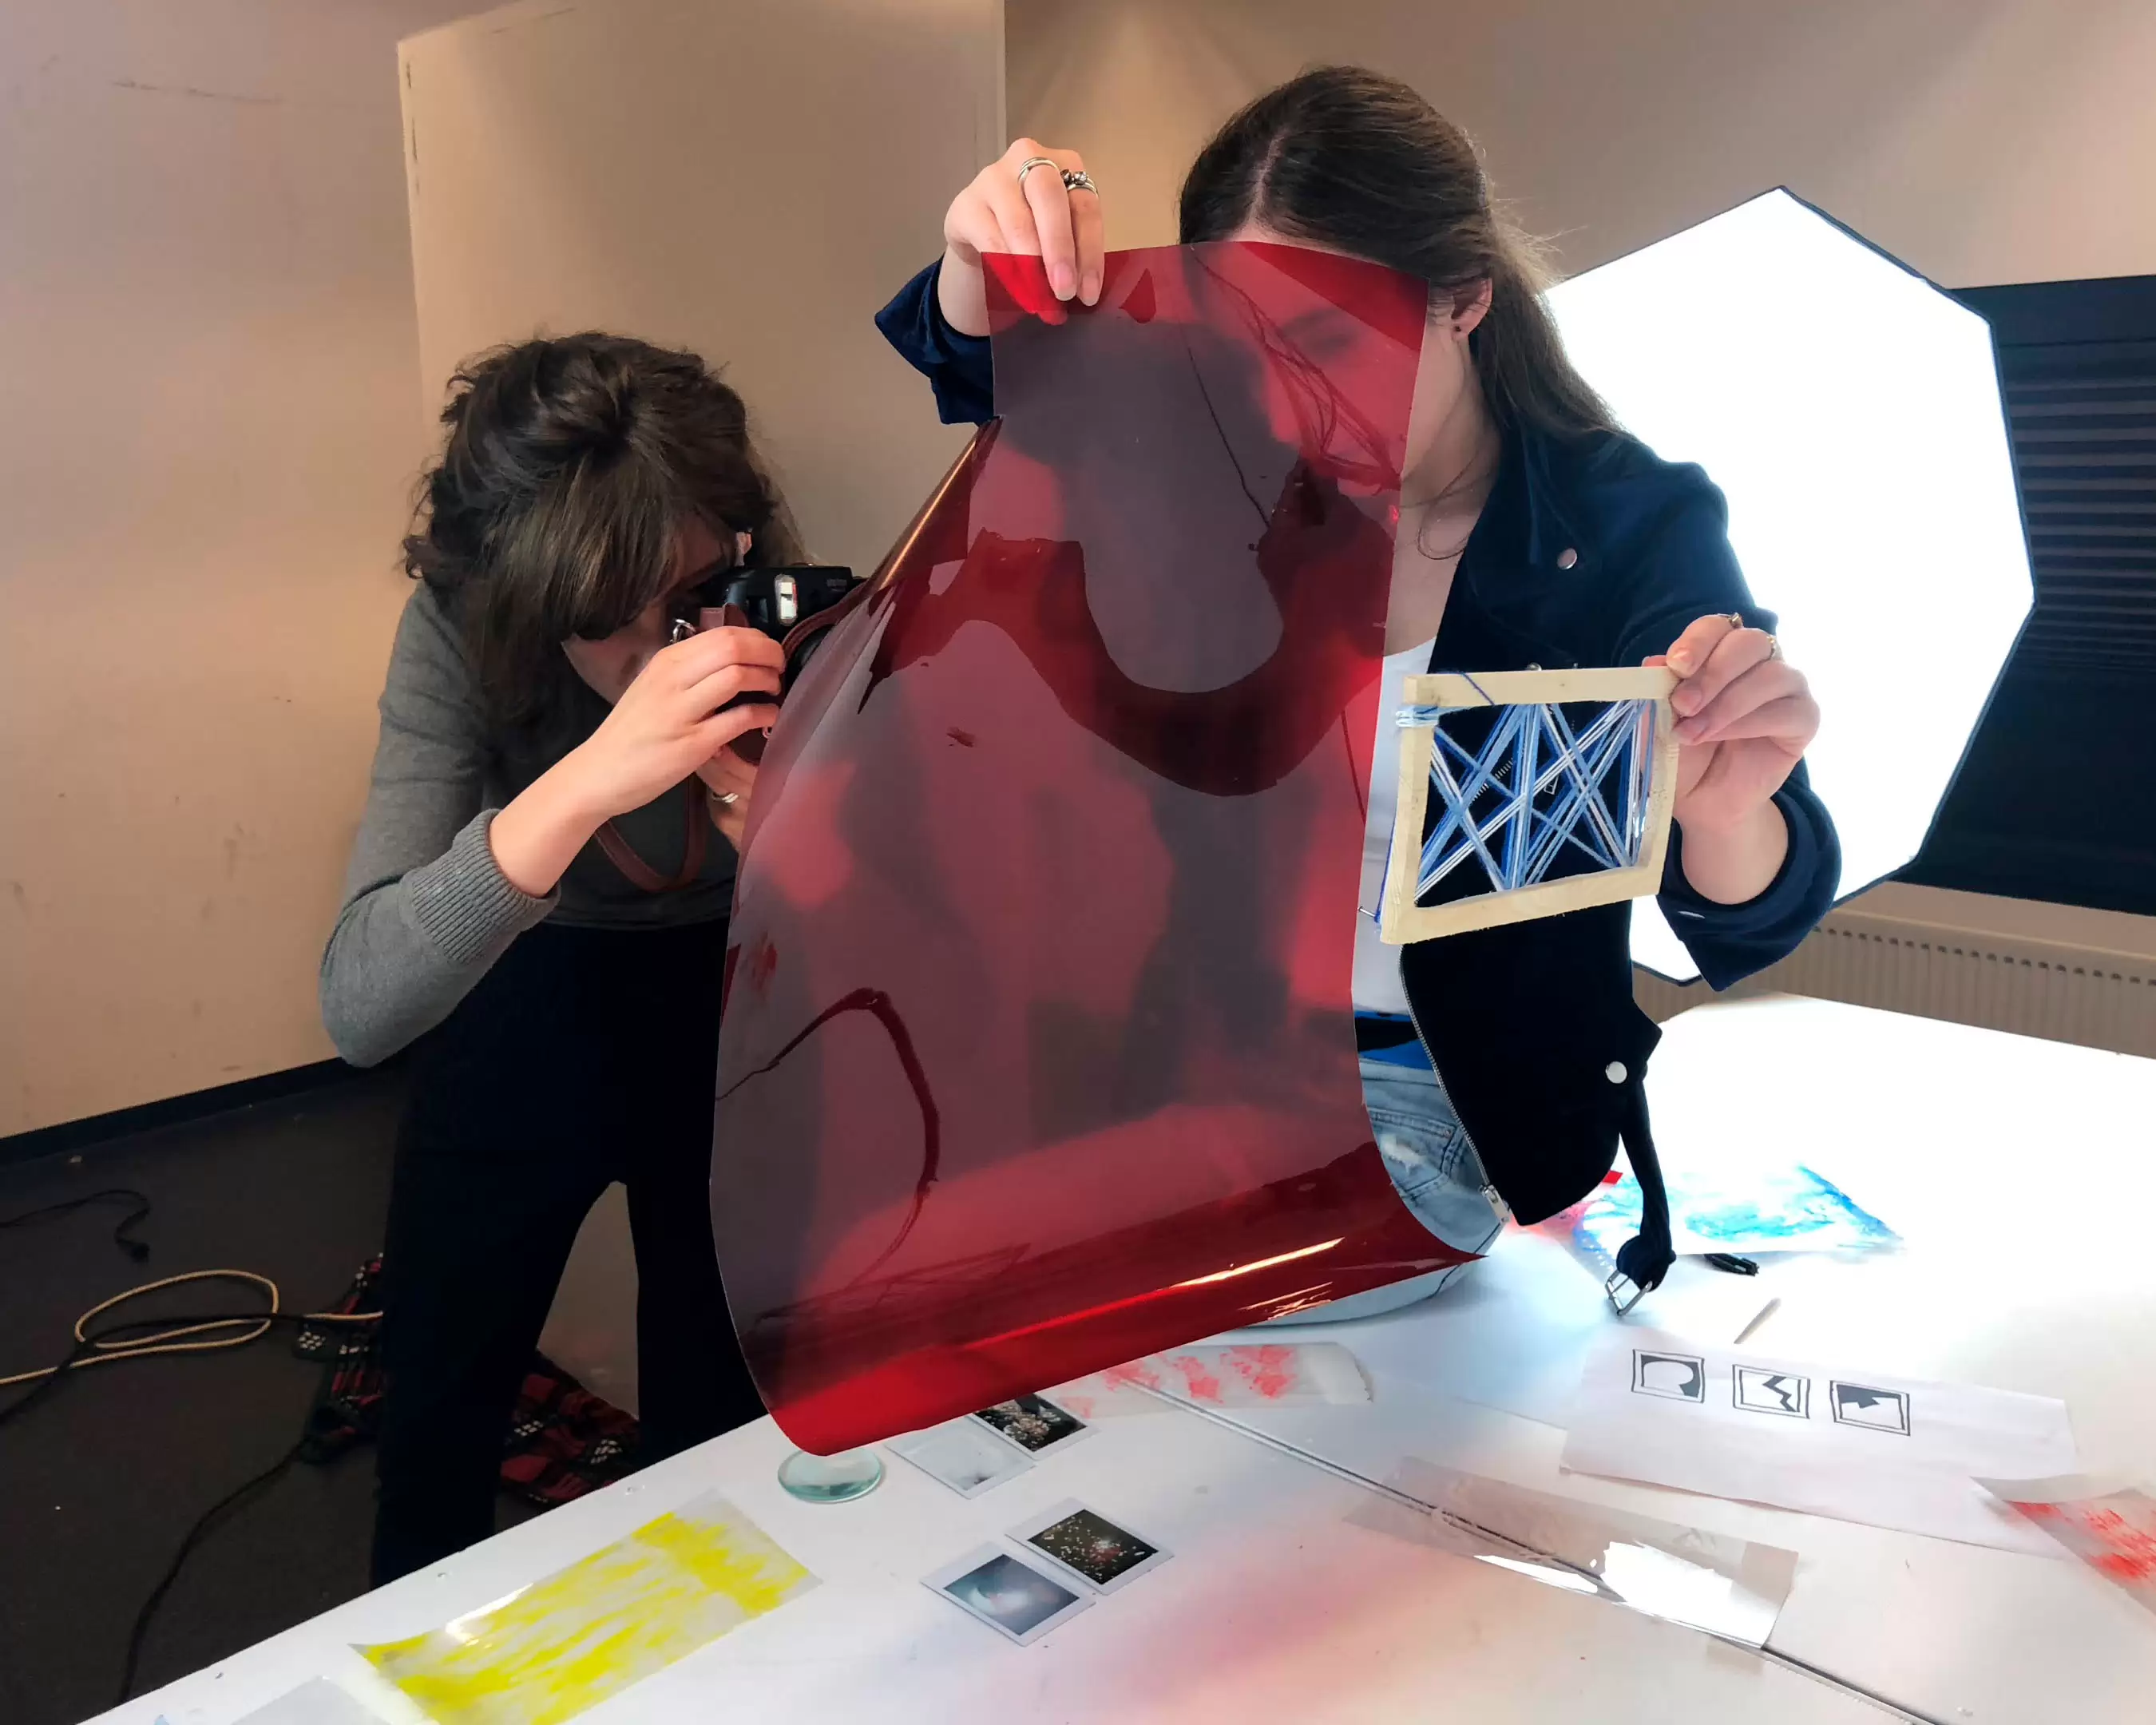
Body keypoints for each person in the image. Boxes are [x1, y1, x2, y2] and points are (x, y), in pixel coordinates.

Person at [875, 68, 1841, 1316]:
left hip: (1437, 1100)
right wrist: (981, 257)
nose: (1291, 401)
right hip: (1180, 1063)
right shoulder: (1223, 470)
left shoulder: (1624, 525)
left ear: (1465, 298)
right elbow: (987, 373)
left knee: (1138, 1320)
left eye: (1332, 341)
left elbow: (1751, 915)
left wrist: (1723, 808)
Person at [321, 332, 789, 1581]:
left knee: (718, 1401)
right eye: (600, 614)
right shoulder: (461, 622)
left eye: (684, 594)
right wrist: (588, 782)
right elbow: (359, 1007)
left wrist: (786, 839)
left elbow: (909, 938)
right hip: (523, 991)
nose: (653, 653)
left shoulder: (770, 594)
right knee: (443, 1388)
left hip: (722, 993)